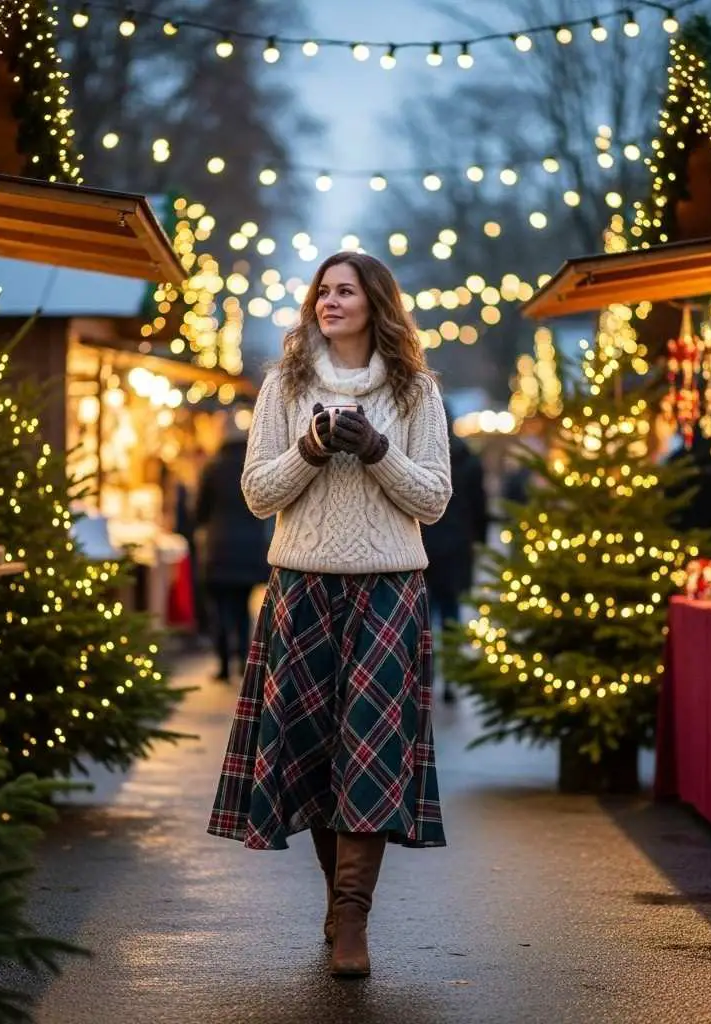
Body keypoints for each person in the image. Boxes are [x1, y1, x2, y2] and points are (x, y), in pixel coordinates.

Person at [207, 251, 452, 979]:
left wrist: (376, 449)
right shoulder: (285, 385)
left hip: (386, 587)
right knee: (314, 751)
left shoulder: (416, 393)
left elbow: (433, 500)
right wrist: (312, 448)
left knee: (370, 749)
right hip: (302, 585)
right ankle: (334, 896)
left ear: (376, 303)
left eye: (345, 291)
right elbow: (257, 493)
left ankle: (353, 919)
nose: (329, 301)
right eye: (322, 290)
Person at [195, 410, 269, 681]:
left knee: (221, 609)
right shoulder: (252, 467)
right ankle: (243, 661)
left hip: (219, 549)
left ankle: (224, 663)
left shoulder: (212, 468)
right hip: (250, 549)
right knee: (243, 607)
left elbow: (199, 512)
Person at [421, 410, 488, 703]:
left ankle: (427, 677)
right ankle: (450, 678)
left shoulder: (422, 456)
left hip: (423, 548)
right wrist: (480, 542)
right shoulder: (469, 460)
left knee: (425, 617)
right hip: (457, 549)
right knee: (451, 616)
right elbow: (479, 506)